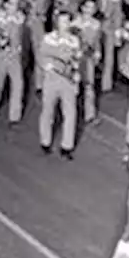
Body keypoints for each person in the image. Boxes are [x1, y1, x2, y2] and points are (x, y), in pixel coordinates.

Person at [38, 10, 83, 160]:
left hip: (68, 80)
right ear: (56, 22)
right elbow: (41, 57)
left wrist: (76, 79)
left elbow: (76, 61)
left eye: (67, 21)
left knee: (70, 114)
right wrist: (48, 65)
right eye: (61, 21)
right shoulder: (48, 39)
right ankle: (45, 142)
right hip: (51, 79)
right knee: (48, 111)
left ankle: (66, 146)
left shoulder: (74, 41)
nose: (64, 24)